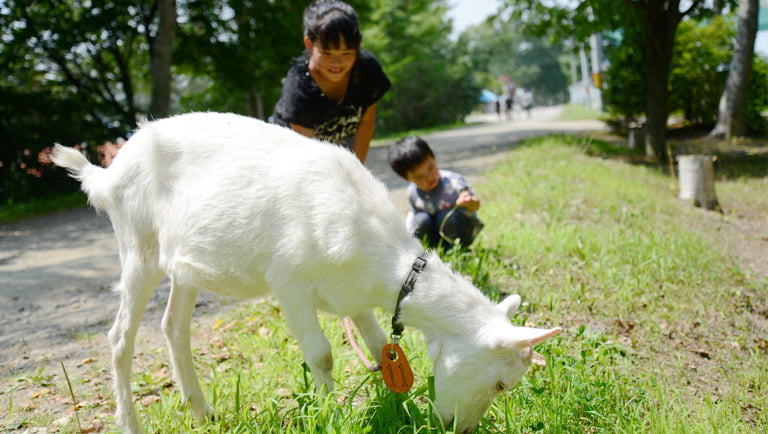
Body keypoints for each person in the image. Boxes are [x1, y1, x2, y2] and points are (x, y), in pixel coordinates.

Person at [272, 0, 390, 163]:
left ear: (358, 46)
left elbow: (366, 120)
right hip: (297, 150)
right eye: (327, 53)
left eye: (347, 52)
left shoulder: (365, 69)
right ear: (309, 44)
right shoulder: (299, 86)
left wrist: (357, 169)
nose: (337, 63)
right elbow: (307, 154)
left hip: (343, 141)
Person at [388, 136, 484, 248]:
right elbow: (413, 219)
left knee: (447, 217)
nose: (429, 178)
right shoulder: (412, 193)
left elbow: (475, 206)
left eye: (431, 168)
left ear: (434, 159)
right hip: (434, 234)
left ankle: (460, 248)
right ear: (407, 178)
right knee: (420, 220)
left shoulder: (453, 182)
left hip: (459, 230)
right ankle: (433, 251)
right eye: (419, 177)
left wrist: (469, 202)